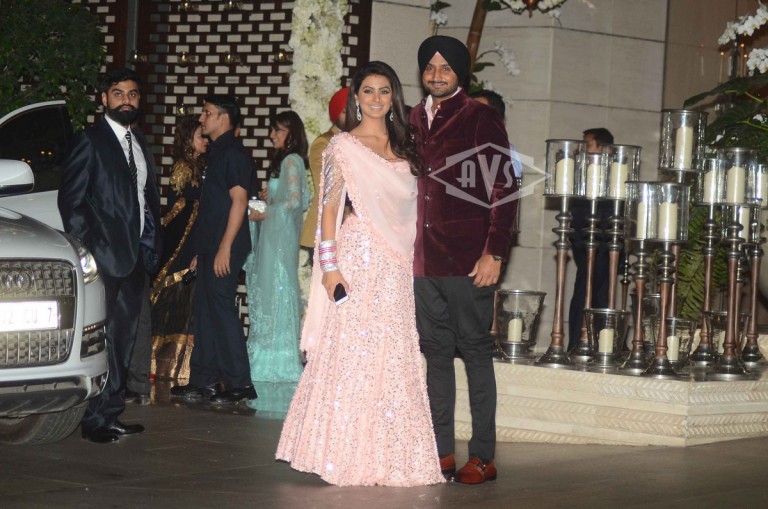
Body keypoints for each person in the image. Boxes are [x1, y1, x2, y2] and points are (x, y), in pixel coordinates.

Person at [276, 61, 444, 487]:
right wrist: (329, 267)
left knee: (394, 355)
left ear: (394, 98)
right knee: (352, 356)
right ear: (356, 97)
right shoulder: (343, 147)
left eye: (384, 91)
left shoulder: (408, 148)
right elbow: (329, 208)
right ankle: (341, 454)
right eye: (368, 91)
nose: (375, 99)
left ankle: (390, 456)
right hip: (358, 259)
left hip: (398, 265)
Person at [410, 35, 518, 484]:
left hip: (469, 259)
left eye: (446, 68)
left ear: (460, 73)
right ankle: (440, 452)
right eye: (430, 67)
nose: (436, 75)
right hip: (422, 261)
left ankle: (483, 456)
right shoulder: (411, 118)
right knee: (435, 355)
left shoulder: (480, 116)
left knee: (474, 352)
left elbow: (504, 188)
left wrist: (495, 251)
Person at [58, 68, 162, 444]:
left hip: (135, 258)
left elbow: (145, 201)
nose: (126, 101)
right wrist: (91, 249)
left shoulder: (139, 143)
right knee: (99, 340)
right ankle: (93, 419)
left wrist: (150, 246)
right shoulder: (90, 141)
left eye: (132, 94)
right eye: (118, 93)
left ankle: (110, 413)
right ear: (104, 99)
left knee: (123, 339)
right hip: (104, 258)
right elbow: (71, 202)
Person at [170, 95, 257, 405]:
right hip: (210, 246)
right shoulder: (216, 153)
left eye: (207, 113)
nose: (201, 118)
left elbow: (239, 202)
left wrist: (224, 248)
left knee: (221, 311)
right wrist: (202, 251)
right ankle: (203, 381)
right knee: (204, 312)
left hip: (225, 246)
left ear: (223, 117)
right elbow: (213, 207)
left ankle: (240, 384)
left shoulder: (233, 153)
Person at [245, 111, 309, 384]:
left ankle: (276, 359)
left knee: (277, 290)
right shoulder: (290, 161)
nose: (272, 135)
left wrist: (265, 213)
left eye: (278, 130)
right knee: (274, 291)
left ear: (291, 133)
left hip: (279, 240)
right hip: (278, 238)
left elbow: (294, 202)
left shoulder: (291, 160)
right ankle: (273, 355)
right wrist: (271, 196)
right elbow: (297, 197)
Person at [151, 115, 208, 381]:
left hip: (194, 245)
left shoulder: (201, 167)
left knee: (187, 301)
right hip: (181, 248)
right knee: (174, 297)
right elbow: (177, 210)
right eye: (200, 136)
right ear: (187, 140)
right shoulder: (183, 168)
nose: (205, 140)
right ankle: (162, 365)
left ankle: (182, 367)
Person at [567, 127, 615, 351]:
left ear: (605, 149)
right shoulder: (581, 174)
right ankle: (586, 342)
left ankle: (588, 343)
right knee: (589, 288)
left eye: (588, 145)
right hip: (583, 240)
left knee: (595, 290)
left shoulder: (614, 177)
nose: (582, 150)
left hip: (603, 241)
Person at [299, 87, 349, 261]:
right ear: (335, 114)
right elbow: (328, 185)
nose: (351, 116)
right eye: (345, 111)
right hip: (325, 230)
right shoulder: (324, 142)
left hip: (351, 231)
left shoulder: (359, 142)